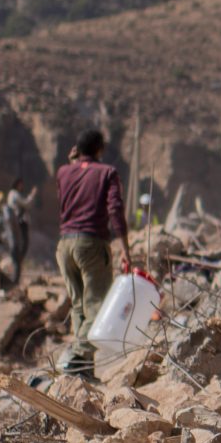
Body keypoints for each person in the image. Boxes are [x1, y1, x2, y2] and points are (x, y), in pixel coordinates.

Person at [54, 131, 129, 373]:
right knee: (98, 305)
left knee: (79, 306)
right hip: (91, 244)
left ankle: (82, 370)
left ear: (77, 150)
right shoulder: (107, 173)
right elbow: (115, 210)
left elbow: (66, 198)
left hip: (65, 246)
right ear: (100, 149)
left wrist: (72, 163)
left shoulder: (63, 172)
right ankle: (75, 355)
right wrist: (125, 248)